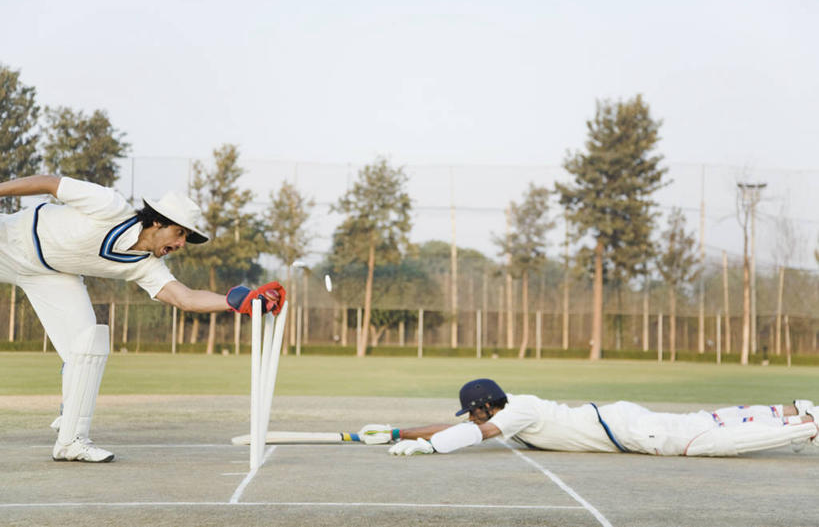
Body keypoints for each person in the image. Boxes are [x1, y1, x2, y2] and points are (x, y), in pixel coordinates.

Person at [0, 175, 285, 463]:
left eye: (186, 238)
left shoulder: (148, 266)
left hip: (49, 274)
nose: (182, 243)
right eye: (180, 233)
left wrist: (236, 301)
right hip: (11, 239)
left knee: (88, 345)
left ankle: (71, 437)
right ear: (158, 222)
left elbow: (183, 298)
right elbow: (50, 183)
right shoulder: (109, 206)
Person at [358, 378, 819, 457]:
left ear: (485, 405)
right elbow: (460, 428)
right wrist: (399, 431)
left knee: (700, 441)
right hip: (619, 422)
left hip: (629, 430)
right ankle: (797, 409)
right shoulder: (513, 408)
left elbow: (465, 436)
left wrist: (427, 446)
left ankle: (807, 425)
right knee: (707, 419)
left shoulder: (516, 412)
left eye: (473, 411)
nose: (470, 417)